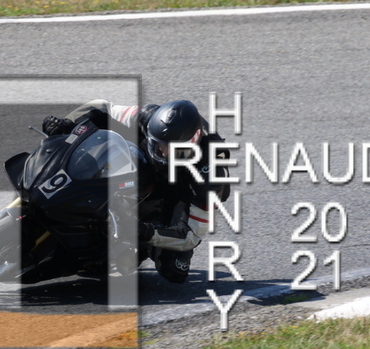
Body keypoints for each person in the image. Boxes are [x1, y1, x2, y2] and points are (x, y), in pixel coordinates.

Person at [42, 99, 230, 283]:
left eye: (173, 150)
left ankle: (138, 247)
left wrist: (145, 232)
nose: (163, 153)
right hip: (146, 165)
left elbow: (190, 235)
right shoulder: (149, 117)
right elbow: (104, 108)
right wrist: (68, 124)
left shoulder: (212, 174)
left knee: (173, 268)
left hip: (183, 192)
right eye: (160, 145)